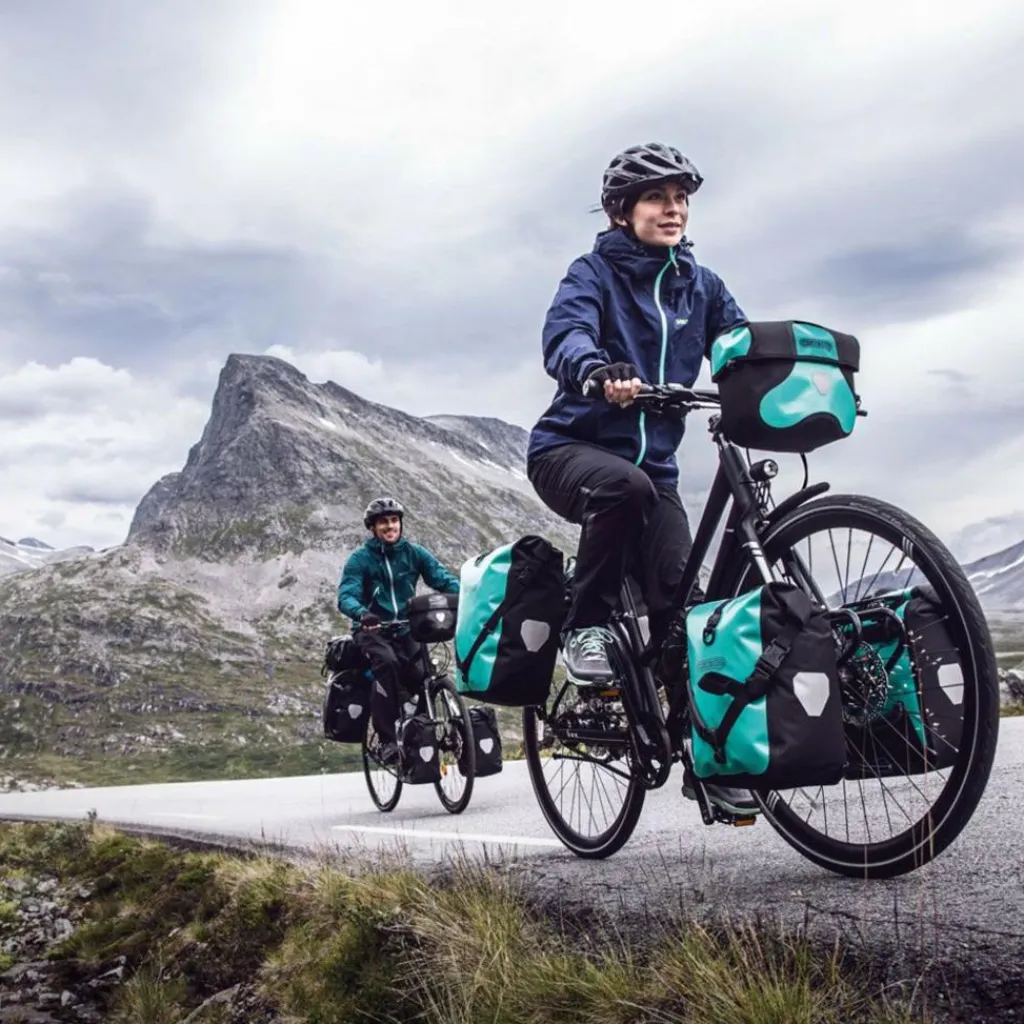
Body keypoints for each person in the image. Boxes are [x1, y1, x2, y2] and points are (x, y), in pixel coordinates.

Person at [526, 142, 758, 817]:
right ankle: (585, 627)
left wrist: (772, 372)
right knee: (622, 489)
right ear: (621, 211)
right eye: (657, 197)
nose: (673, 208)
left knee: (685, 611)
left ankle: (710, 759)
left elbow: (739, 344)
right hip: (570, 450)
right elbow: (565, 335)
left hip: (655, 472)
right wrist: (595, 369)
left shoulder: (701, 285)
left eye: (681, 197)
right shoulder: (592, 273)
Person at [337, 496, 460, 764]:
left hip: (406, 627)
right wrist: (362, 614)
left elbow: (442, 579)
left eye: (394, 520)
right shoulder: (360, 559)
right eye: (383, 522)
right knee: (388, 664)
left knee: (424, 674)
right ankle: (387, 740)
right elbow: (346, 596)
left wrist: (465, 596)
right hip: (371, 630)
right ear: (373, 528)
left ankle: (419, 732)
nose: (390, 526)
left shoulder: (414, 553)